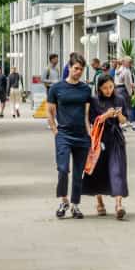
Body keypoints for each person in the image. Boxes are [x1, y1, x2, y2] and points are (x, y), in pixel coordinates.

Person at [47, 53, 92, 219]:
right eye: (76, 68)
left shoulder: (86, 89)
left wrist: (90, 135)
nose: (79, 72)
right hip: (63, 135)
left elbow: (87, 114)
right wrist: (55, 132)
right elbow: (50, 112)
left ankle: (75, 205)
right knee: (63, 169)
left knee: (79, 172)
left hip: (82, 136)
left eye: (81, 69)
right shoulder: (56, 88)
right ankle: (63, 200)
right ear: (69, 67)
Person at [82, 73, 130, 220]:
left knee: (118, 170)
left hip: (116, 138)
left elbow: (124, 121)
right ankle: (99, 202)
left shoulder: (120, 98)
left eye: (111, 86)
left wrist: (119, 116)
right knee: (98, 171)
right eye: (105, 88)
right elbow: (92, 121)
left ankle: (118, 204)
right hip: (99, 140)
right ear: (99, 89)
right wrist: (106, 116)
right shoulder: (95, 101)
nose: (108, 90)